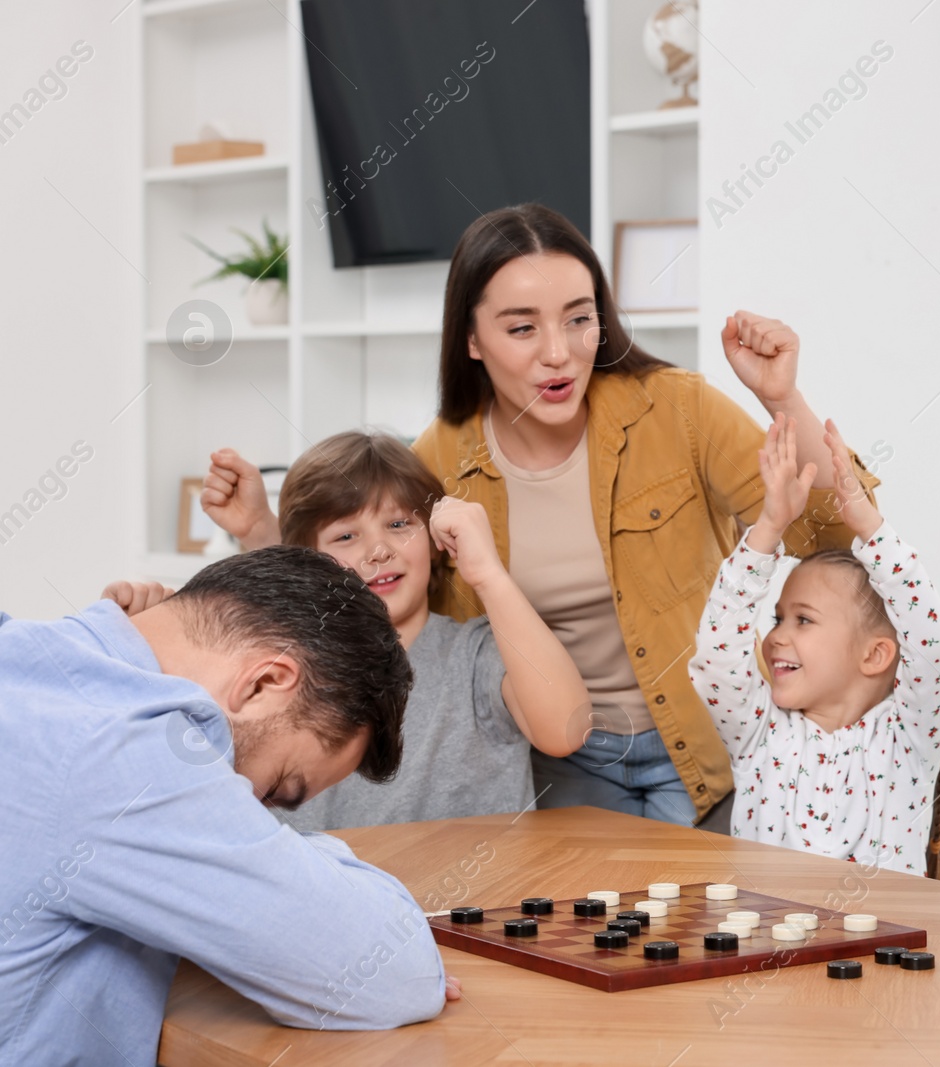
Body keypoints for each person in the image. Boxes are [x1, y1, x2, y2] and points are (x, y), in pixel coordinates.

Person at [203, 202, 879, 827]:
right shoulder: (442, 459)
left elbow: (838, 533)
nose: (558, 351)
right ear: (471, 338)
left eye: (579, 318)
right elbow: (376, 596)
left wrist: (782, 398)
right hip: (560, 754)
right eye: (522, 327)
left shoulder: (677, 408)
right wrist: (260, 536)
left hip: (704, 740)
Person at [0, 548, 456, 1066]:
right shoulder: (129, 754)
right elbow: (395, 974)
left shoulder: (32, 661)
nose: (256, 812)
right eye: (274, 790)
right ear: (264, 683)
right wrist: (289, 860)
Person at [178, 431, 590, 831]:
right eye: (345, 535)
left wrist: (488, 575)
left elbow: (566, 729)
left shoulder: (475, 654)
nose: (378, 550)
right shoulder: (285, 665)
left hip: (468, 898)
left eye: (398, 525)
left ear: (433, 537)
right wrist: (258, 532)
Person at [688, 414, 940, 875]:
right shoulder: (759, 733)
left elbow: (935, 649)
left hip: (881, 944)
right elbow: (717, 654)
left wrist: (872, 529)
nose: (775, 637)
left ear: (874, 655)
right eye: (778, 618)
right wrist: (769, 527)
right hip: (766, 942)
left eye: (803, 620)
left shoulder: (907, 740)